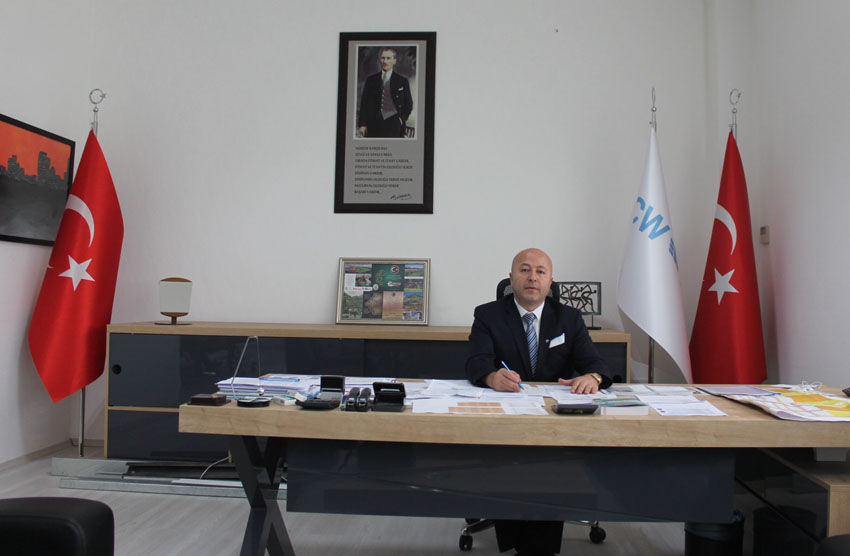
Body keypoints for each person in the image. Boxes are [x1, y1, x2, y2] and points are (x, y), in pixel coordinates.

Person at [465, 247, 611, 556]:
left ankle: (534, 548)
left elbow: (595, 363)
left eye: (540, 271)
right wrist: (491, 377)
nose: (532, 277)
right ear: (511, 278)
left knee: (546, 467)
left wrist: (592, 377)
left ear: (550, 281)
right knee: (513, 464)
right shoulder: (488, 315)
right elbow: (476, 362)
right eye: (525, 270)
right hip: (505, 416)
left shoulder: (569, 318)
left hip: (554, 421)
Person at [357, 47, 413, 138]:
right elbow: (364, 103)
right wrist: (362, 124)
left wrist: (401, 120)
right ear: (380, 60)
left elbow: (409, 104)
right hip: (373, 124)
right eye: (383, 58)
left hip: (395, 125)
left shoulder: (402, 81)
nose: (385, 61)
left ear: (394, 61)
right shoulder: (371, 80)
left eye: (388, 58)